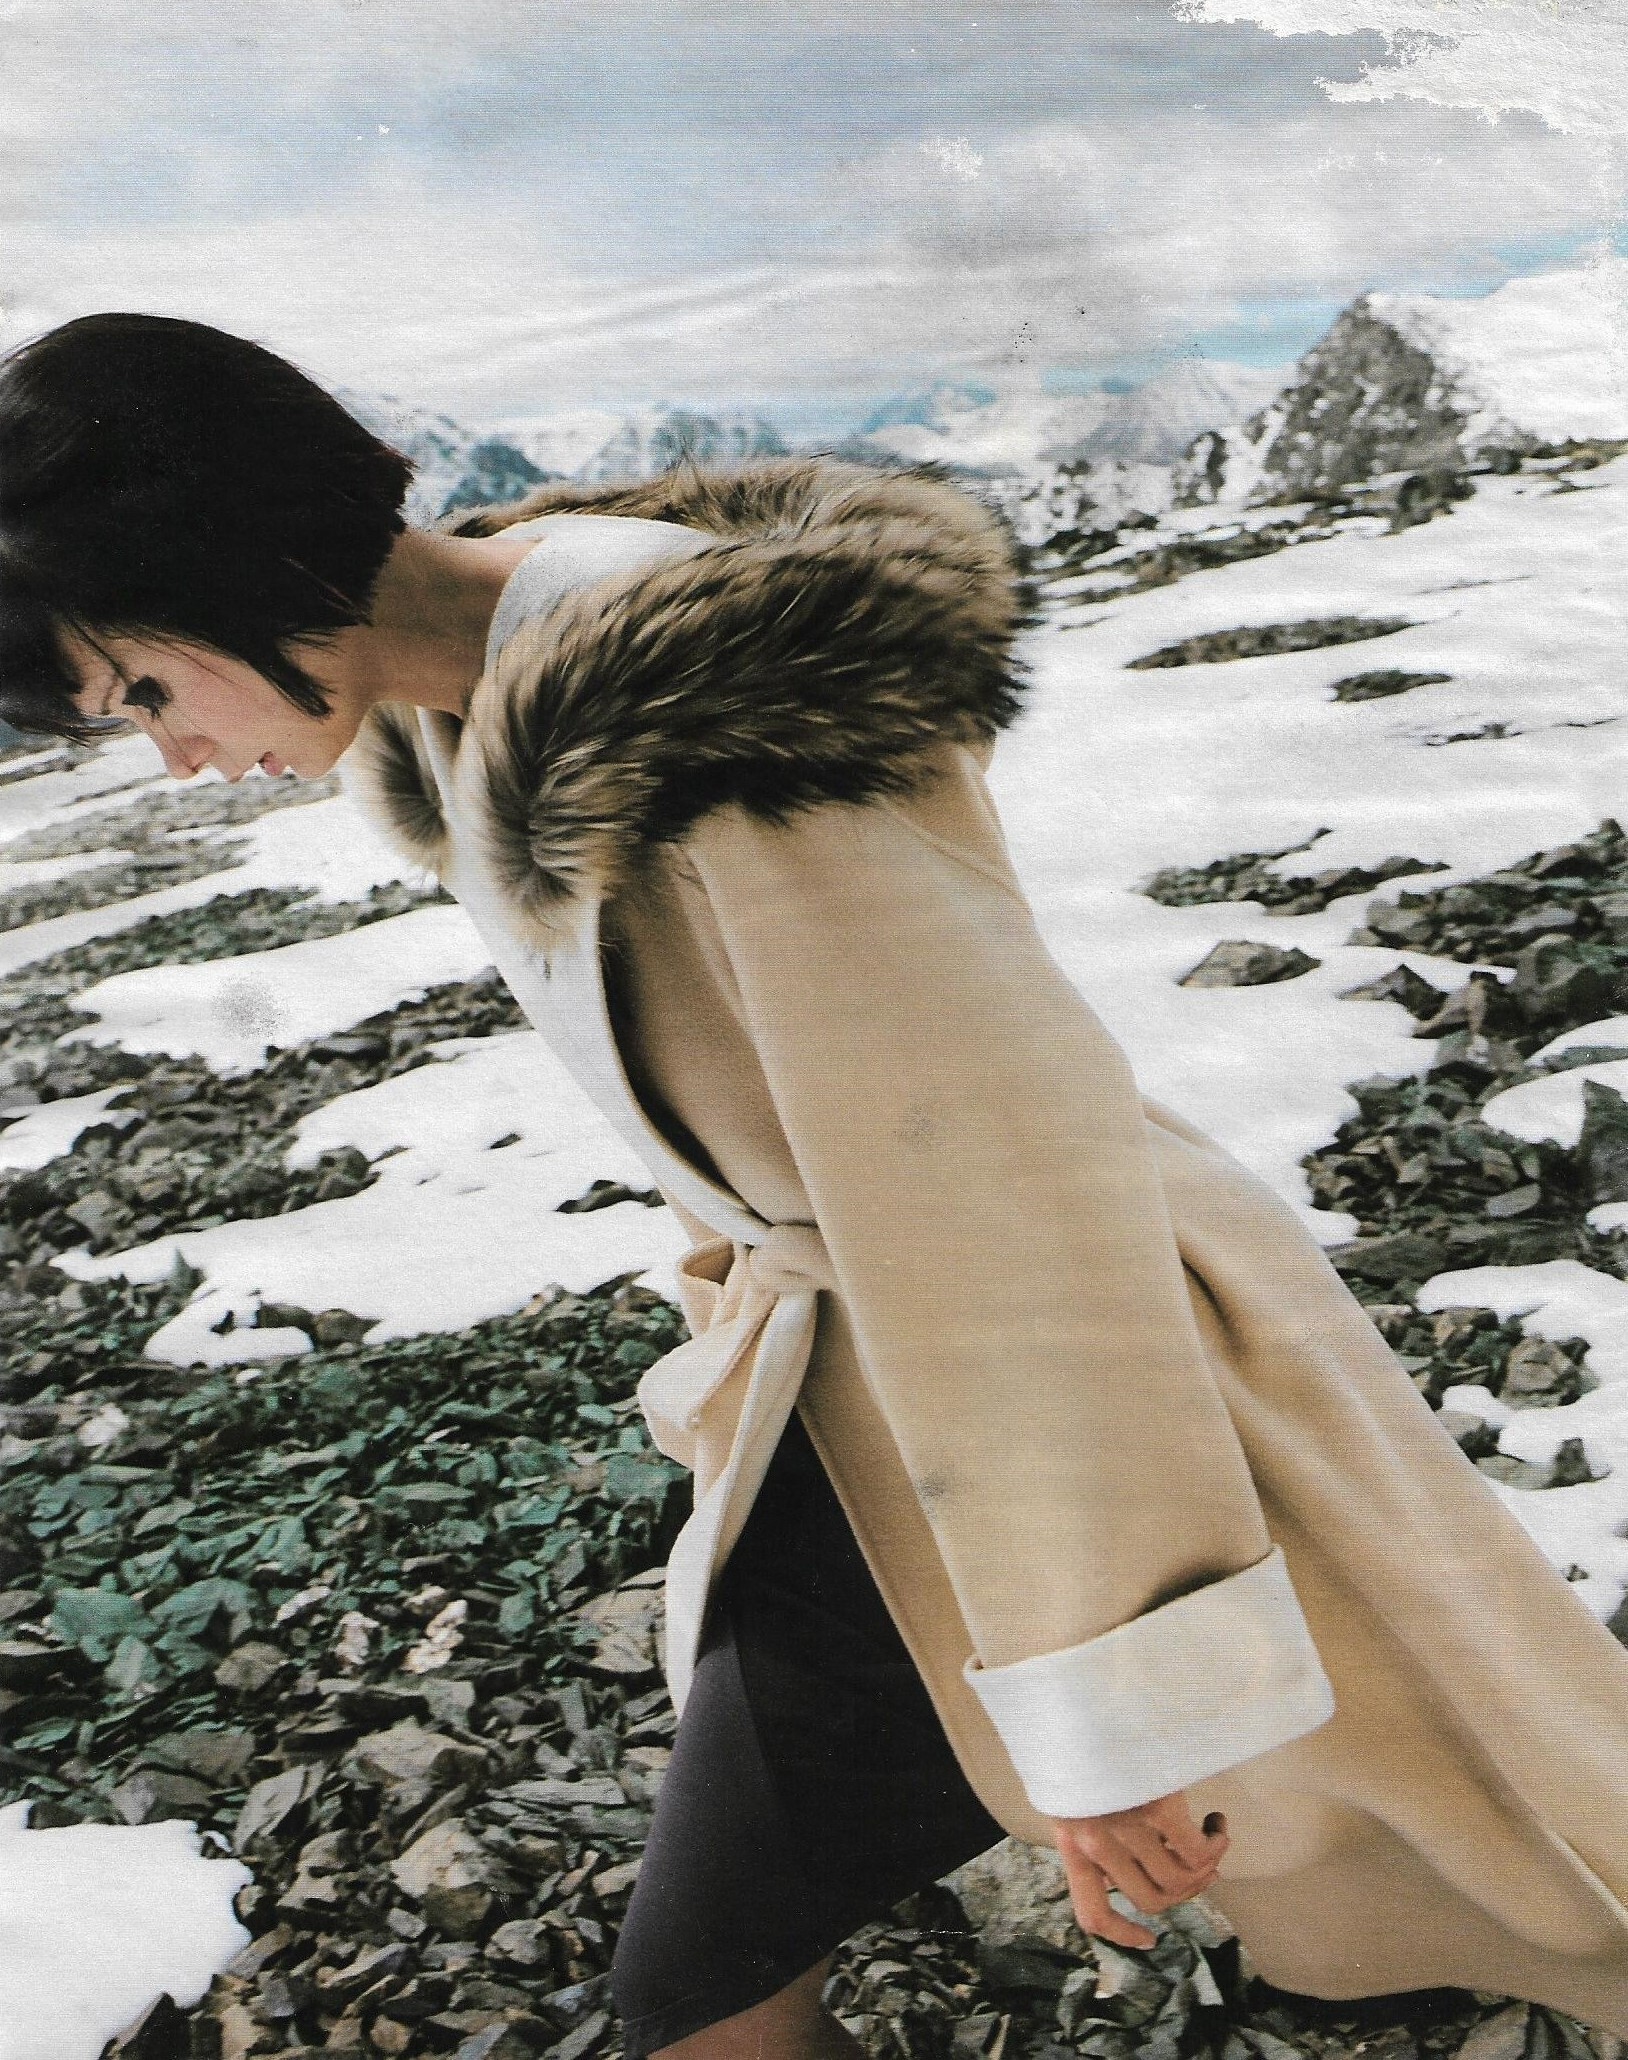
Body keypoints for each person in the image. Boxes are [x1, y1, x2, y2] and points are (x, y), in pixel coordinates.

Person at [5, 313, 1628, 2058]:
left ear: (241, 564)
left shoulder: (708, 726)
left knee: (1490, 1827)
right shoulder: (494, 697)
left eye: (147, 692)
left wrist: (1108, 1712)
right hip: (863, 1411)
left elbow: (999, 1193)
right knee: (742, 1972)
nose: (179, 759)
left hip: (1024, 1402)